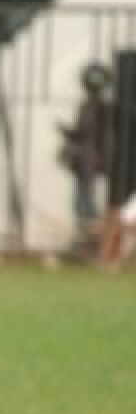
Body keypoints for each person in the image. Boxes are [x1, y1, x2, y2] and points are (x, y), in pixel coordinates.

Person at [58, 62, 114, 244]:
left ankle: (92, 239)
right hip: (86, 161)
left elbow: (87, 133)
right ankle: (87, 238)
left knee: (84, 203)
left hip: (88, 161)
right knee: (82, 201)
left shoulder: (96, 106)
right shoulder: (96, 105)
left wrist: (68, 133)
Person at [98, 192, 136, 274]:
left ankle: (111, 261)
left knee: (116, 228)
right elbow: (124, 217)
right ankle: (108, 261)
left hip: (129, 230)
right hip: (127, 229)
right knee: (114, 227)